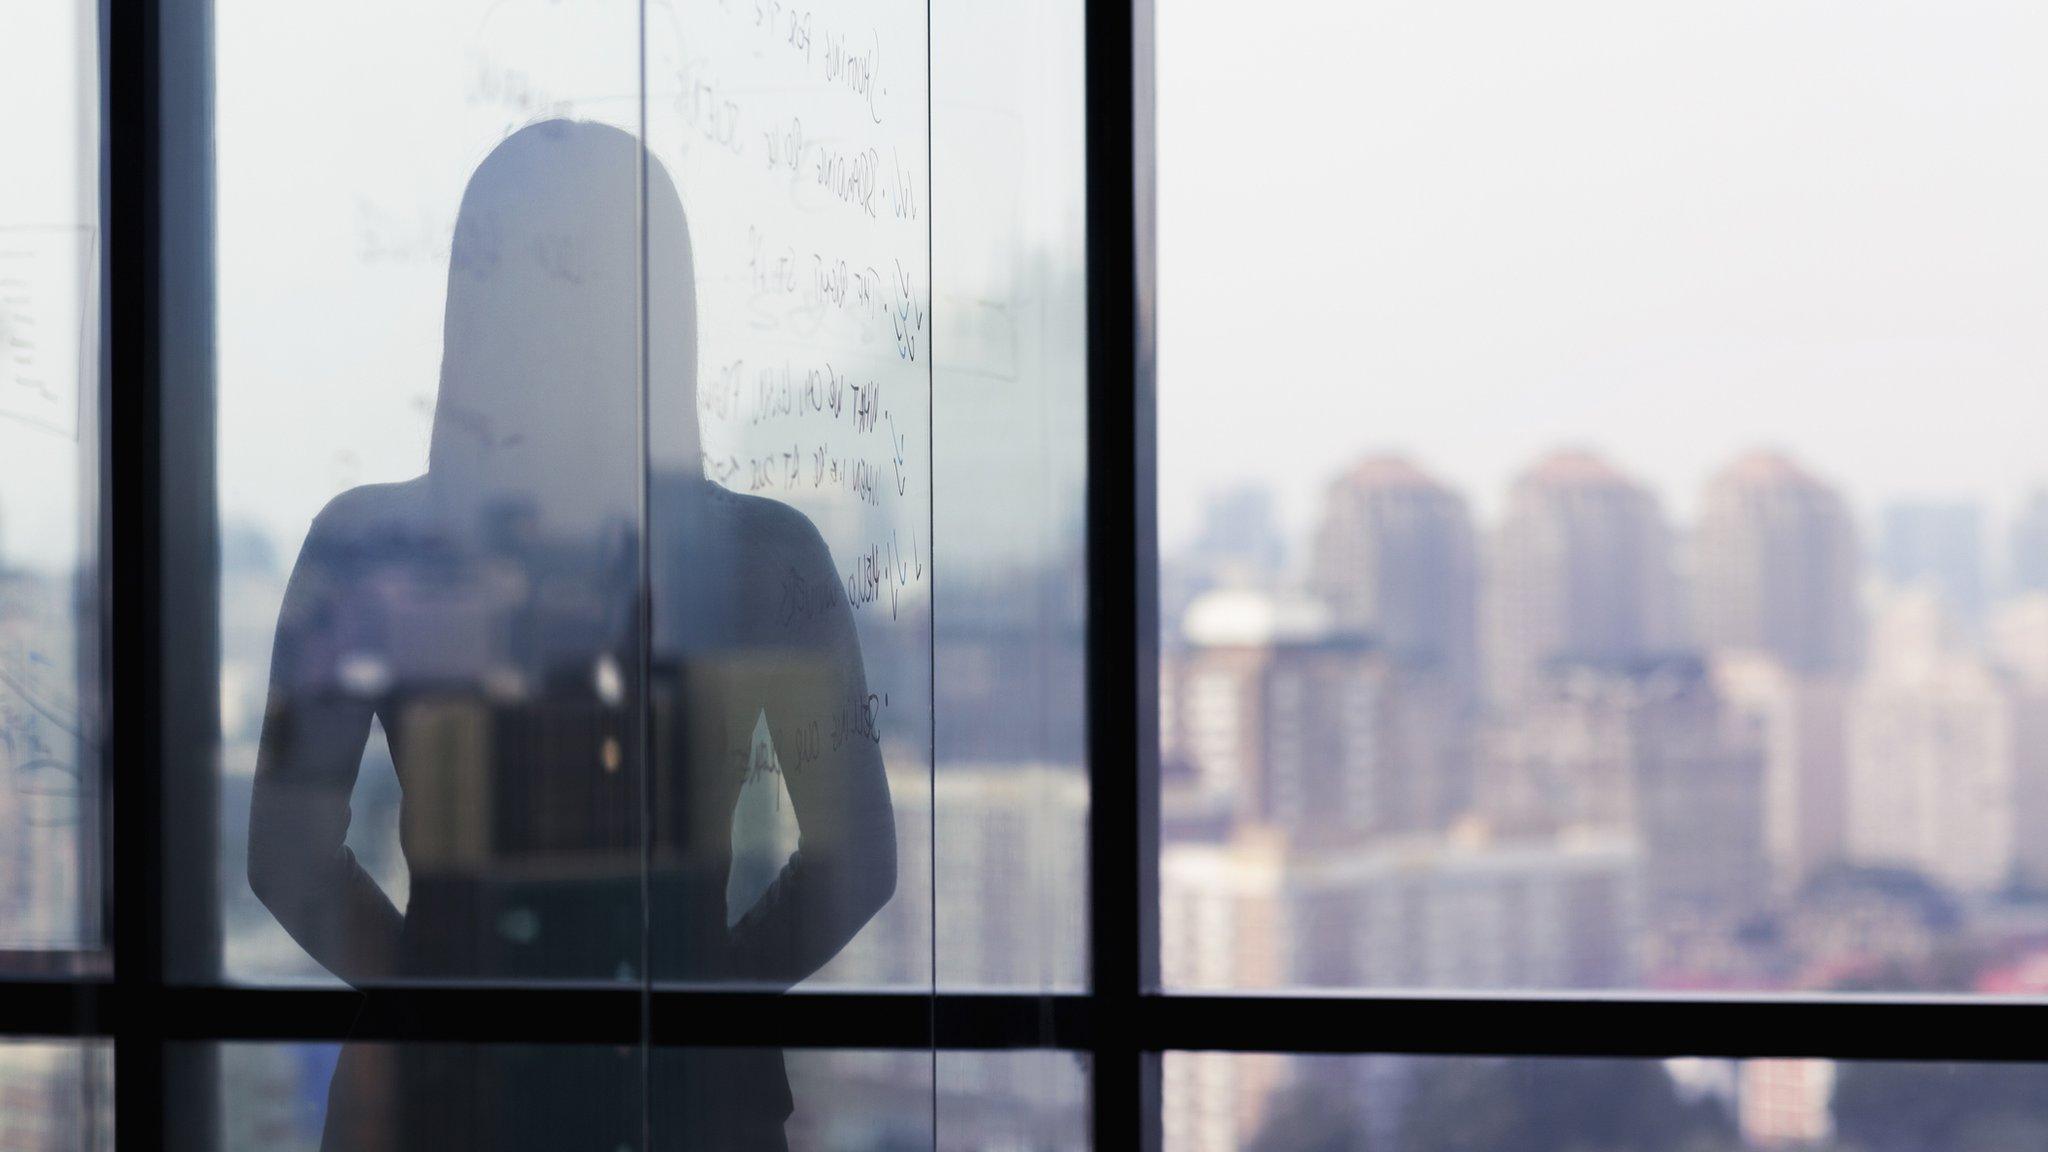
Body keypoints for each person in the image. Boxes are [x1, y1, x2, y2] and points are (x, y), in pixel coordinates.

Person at [247, 118, 896, 1150]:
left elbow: (285, 857)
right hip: (680, 1104)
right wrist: (693, 1003)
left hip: (447, 1101)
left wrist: (438, 996)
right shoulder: (767, 554)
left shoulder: (366, 546)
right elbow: (855, 865)